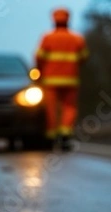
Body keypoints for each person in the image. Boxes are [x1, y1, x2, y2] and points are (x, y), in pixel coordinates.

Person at [36, 8, 88, 151]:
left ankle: (51, 138)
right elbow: (84, 57)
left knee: (51, 109)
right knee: (69, 108)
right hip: (71, 80)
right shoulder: (77, 38)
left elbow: (39, 58)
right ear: (67, 20)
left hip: (50, 81)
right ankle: (65, 135)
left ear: (54, 20)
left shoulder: (47, 38)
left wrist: (40, 73)